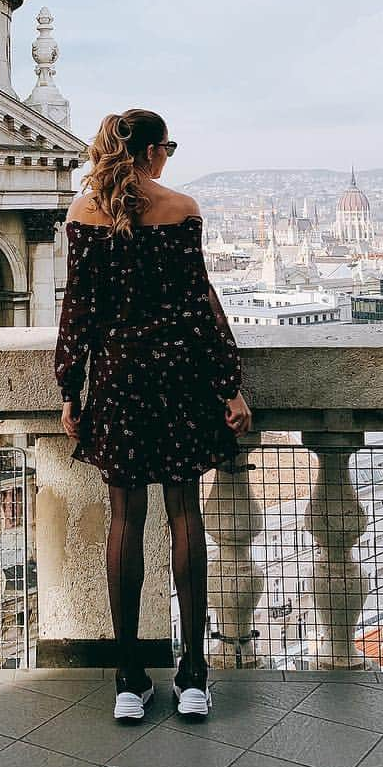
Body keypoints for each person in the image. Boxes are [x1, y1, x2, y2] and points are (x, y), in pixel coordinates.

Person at [54, 108, 251, 722]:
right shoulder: (181, 209)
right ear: (151, 152)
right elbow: (200, 305)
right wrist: (229, 386)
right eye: (167, 145)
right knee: (185, 515)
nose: (171, 154)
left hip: (117, 380)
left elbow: (79, 310)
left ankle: (128, 678)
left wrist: (70, 388)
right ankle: (192, 675)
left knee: (125, 521)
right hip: (178, 378)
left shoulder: (84, 216)